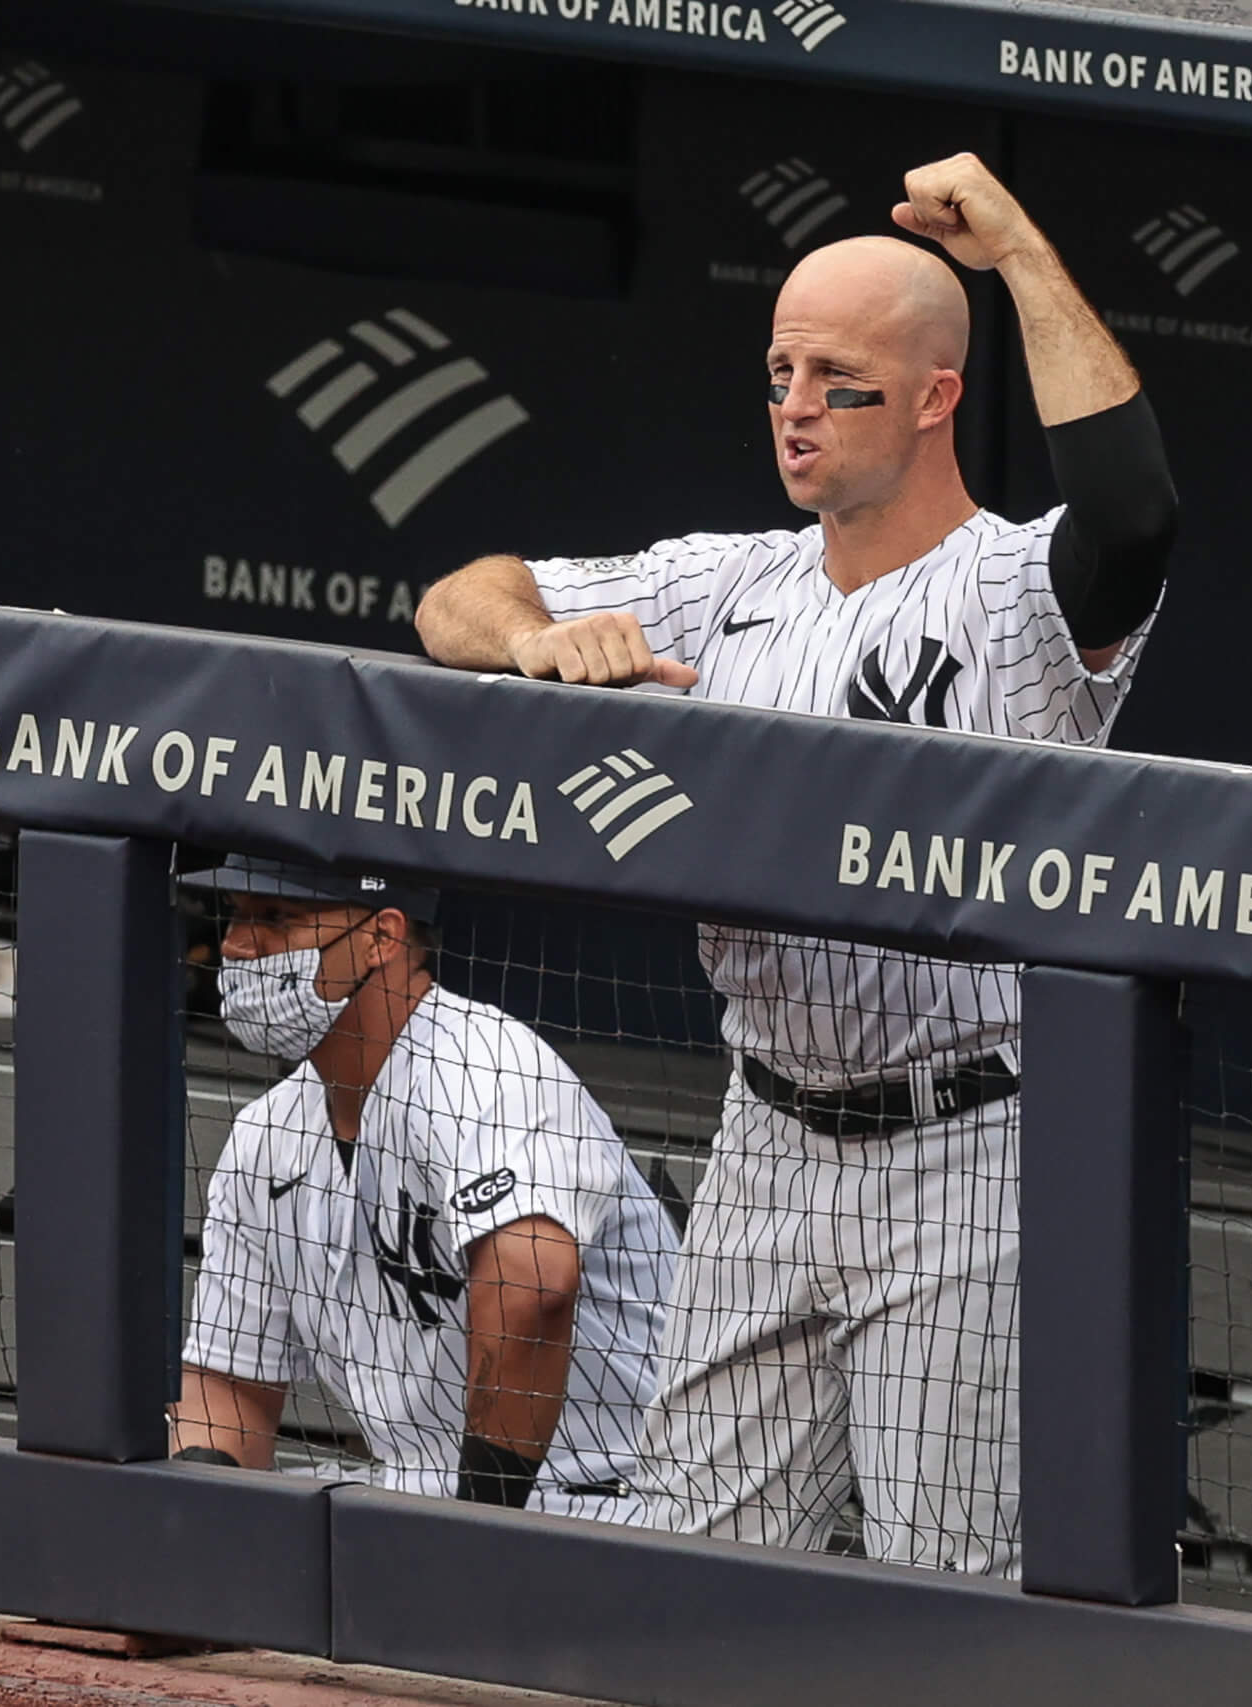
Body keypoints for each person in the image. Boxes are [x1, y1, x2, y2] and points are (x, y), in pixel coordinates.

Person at [415, 154, 1177, 1574]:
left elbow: (1134, 513)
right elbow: (454, 596)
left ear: (939, 396)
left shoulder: (1010, 592)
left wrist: (1016, 248)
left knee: (945, 1594)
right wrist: (532, 640)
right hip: (765, 1130)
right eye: (779, 375)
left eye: (841, 382)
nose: (798, 411)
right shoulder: (727, 581)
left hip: (969, 1139)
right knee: (695, 1582)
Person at [170, 854, 679, 1522]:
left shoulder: (487, 1067)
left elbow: (533, 1288)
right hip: (417, 1505)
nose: (238, 944)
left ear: (382, 936)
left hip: (608, 1505)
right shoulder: (264, 1136)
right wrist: (189, 1532)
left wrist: (470, 1541)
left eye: (277, 918)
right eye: (237, 914)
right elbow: (229, 1385)